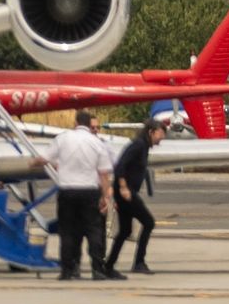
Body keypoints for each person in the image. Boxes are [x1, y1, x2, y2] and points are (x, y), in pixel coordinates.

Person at [33, 110, 119, 281]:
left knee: (68, 232)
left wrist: (34, 162)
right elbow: (104, 173)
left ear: (75, 123)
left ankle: (67, 270)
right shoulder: (97, 143)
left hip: (67, 190)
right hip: (89, 190)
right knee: (94, 230)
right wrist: (106, 197)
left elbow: (44, 159)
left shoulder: (63, 138)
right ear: (89, 125)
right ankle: (97, 269)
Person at [105, 118, 164, 276]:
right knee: (148, 222)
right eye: (160, 135)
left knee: (125, 230)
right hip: (126, 193)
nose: (161, 139)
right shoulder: (138, 145)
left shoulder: (143, 146)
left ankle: (109, 265)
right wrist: (123, 188)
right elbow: (120, 166)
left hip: (127, 192)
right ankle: (139, 262)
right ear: (151, 132)